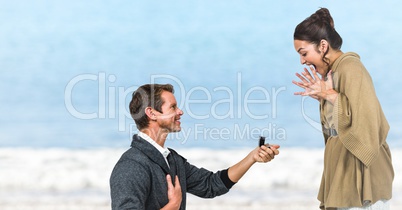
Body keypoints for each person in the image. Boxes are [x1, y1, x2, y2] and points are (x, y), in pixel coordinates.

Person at [110, 84, 280, 210]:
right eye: (173, 107)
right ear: (152, 113)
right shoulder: (131, 166)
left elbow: (212, 185)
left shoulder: (172, 160)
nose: (180, 112)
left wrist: (252, 158)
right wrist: (173, 205)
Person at [292, 8, 394, 210]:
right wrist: (324, 96)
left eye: (304, 53)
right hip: (342, 165)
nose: (302, 61)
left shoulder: (351, 68)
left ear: (323, 46)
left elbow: (369, 123)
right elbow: (346, 114)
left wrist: (329, 95)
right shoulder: (334, 72)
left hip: (360, 170)